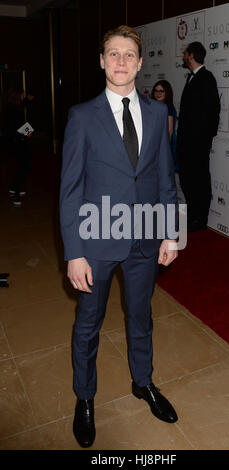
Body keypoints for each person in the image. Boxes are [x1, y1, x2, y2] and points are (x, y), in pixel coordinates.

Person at [60, 25, 179, 448]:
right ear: (101, 61)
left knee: (141, 316)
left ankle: (143, 382)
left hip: (145, 239)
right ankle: (85, 397)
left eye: (129, 54)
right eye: (113, 54)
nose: (121, 62)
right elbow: (70, 191)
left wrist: (171, 234)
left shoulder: (158, 113)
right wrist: (74, 254)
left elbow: (166, 178)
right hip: (95, 241)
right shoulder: (82, 117)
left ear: (141, 62)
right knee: (88, 324)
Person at [176, 41, 220, 232]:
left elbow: (213, 110)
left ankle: (200, 219)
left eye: (185, 53)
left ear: (191, 55)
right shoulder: (191, 78)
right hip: (186, 142)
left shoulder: (206, 77)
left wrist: (207, 137)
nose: (183, 56)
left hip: (198, 143)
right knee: (187, 179)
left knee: (200, 179)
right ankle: (192, 215)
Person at [5, 87, 34, 207]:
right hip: (18, 143)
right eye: (23, 95)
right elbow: (17, 127)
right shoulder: (15, 112)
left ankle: (13, 188)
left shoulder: (11, 107)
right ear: (18, 97)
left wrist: (27, 100)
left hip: (14, 142)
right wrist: (29, 131)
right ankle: (16, 193)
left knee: (21, 166)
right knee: (25, 167)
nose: (24, 96)